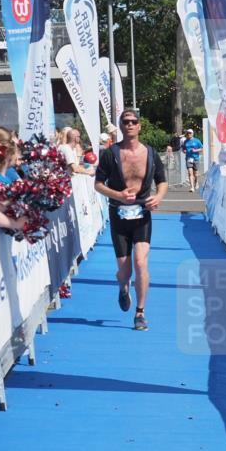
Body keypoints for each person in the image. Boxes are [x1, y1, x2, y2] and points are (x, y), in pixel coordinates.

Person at [94, 108, 168, 332]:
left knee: (141, 262)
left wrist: (158, 197)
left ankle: (140, 313)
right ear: (120, 125)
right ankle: (123, 286)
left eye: (133, 121)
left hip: (142, 215)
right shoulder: (110, 154)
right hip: (118, 215)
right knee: (125, 271)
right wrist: (118, 195)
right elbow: (98, 184)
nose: (130, 125)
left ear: (139, 125)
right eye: (125, 122)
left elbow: (162, 181)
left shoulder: (151, 153)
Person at [182, 127, 203, 192]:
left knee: (195, 174)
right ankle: (192, 187)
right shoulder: (185, 141)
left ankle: (196, 182)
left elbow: (202, 148)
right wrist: (184, 151)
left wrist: (195, 150)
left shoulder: (197, 141)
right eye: (188, 133)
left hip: (195, 158)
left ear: (192, 134)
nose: (189, 134)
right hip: (188, 158)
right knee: (190, 172)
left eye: (190, 133)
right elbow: (183, 148)